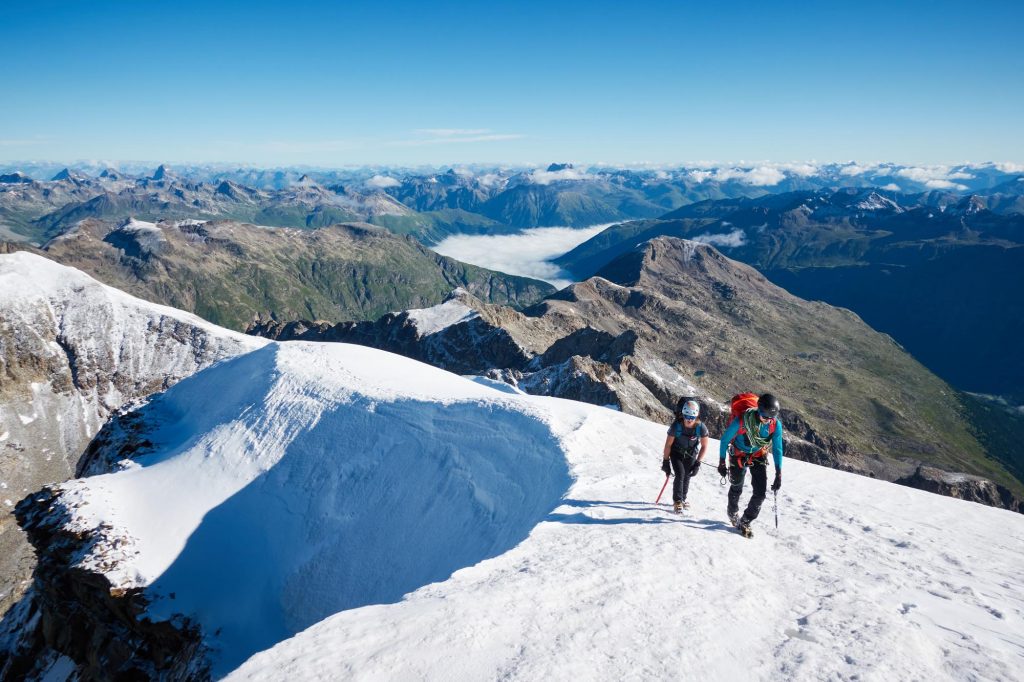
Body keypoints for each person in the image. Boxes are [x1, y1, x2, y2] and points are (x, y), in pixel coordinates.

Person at [716, 393, 784, 537]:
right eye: (765, 417)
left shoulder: (775, 425)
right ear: (758, 410)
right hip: (739, 454)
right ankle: (732, 511)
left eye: (771, 418)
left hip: (758, 455)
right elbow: (724, 440)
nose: (767, 421)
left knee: (760, 493)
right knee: (736, 486)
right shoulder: (741, 421)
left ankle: (745, 521)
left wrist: (779, 473)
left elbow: (777, 449)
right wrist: (722, 462)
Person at [661, 399, 709, 513]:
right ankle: (677, 501)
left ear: (696, 417)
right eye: (686, 416)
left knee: (687, 475)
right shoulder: (676, 426)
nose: (688, 420)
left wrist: (697, 463)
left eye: (691, 418)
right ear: (683, 414)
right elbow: (668, 445)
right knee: (680, 474)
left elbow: (704, 446)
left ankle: (683, 499)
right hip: (676, 453)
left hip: (691, 454)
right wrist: (666, 462)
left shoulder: (701, 427)